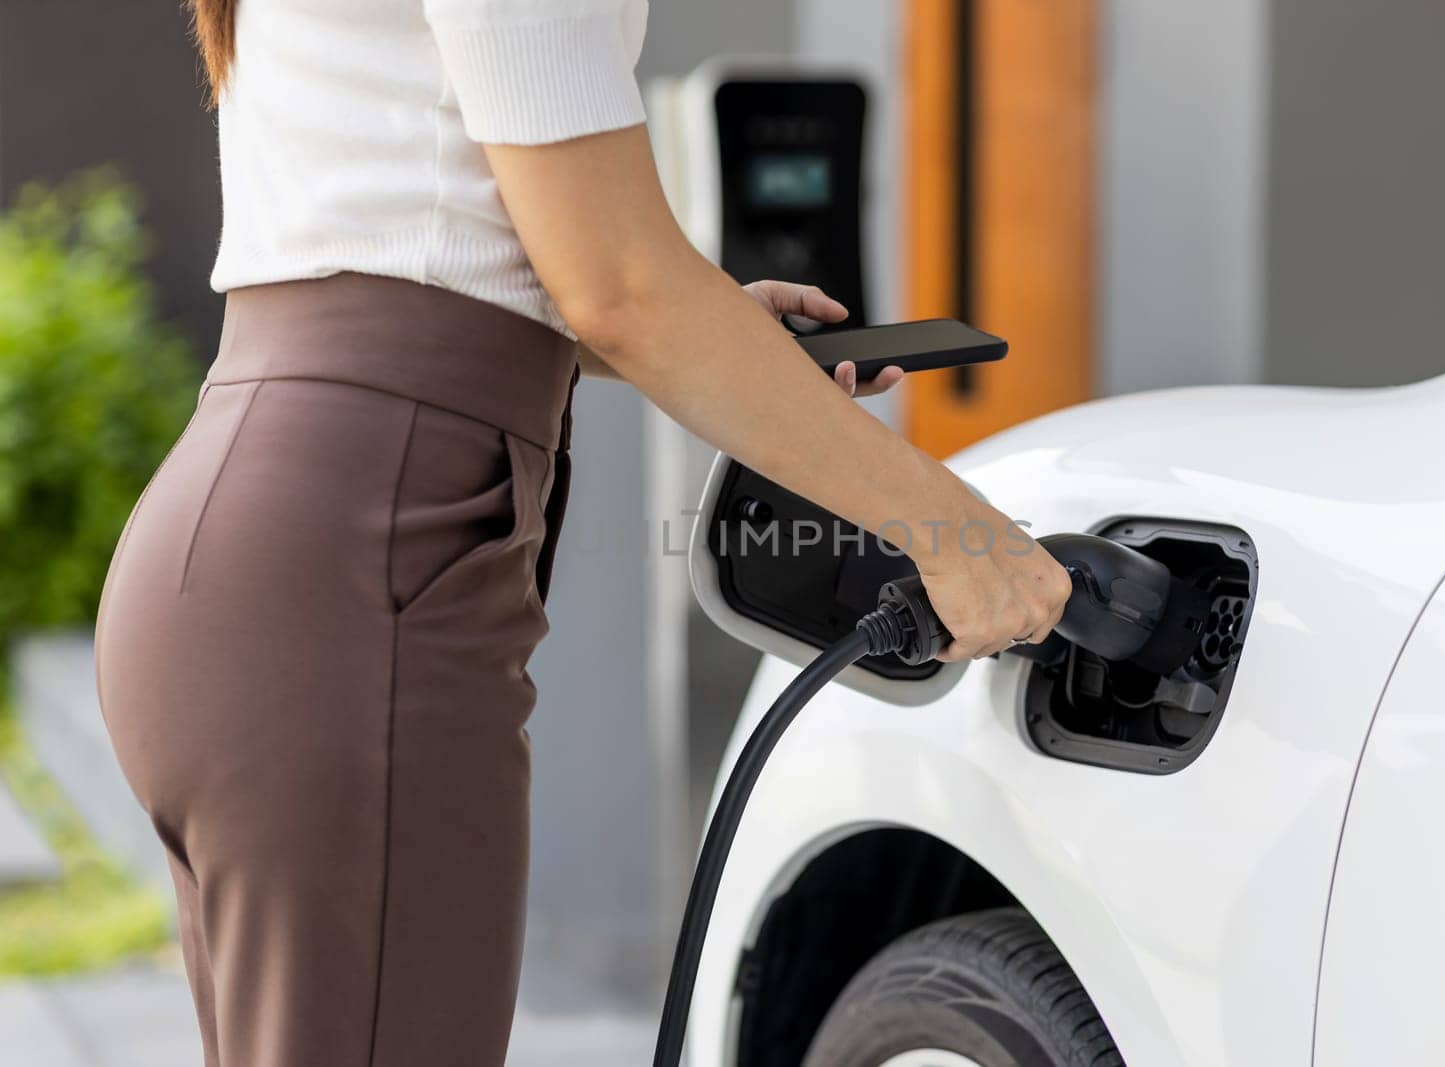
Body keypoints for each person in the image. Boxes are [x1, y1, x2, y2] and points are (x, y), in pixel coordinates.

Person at [92, 1, 1074, 1064]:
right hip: (347, 566)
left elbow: (453, 255)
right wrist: (954, 531)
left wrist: (714, 334)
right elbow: (620, 291)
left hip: (258, 538)